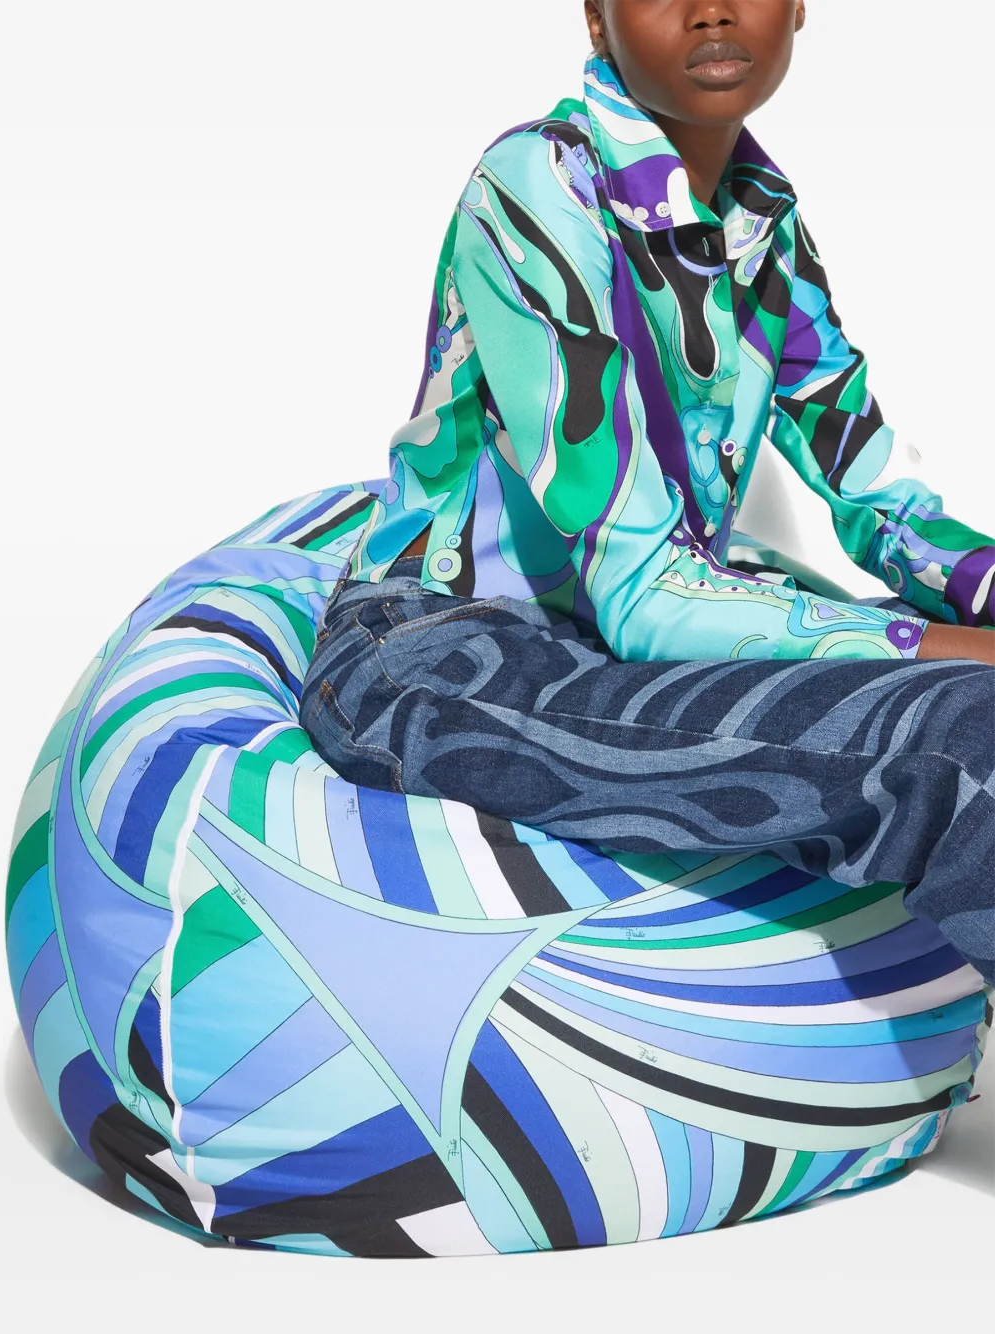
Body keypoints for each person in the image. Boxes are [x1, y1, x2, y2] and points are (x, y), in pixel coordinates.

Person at [300, 0, 995, 986]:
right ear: (597, 18)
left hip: (615, 647)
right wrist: (941, 647)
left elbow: (875, 495)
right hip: (449, 655)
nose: (711, 8)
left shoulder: (761, 215)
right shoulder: (537, 184)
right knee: (970, 729)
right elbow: (644, 593)